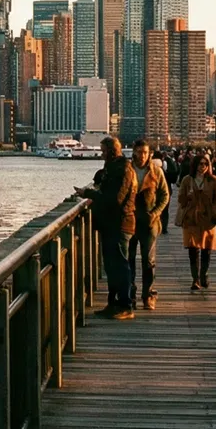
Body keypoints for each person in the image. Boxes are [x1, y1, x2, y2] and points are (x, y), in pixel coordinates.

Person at [80, 137, 140, 320]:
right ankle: (113, 303)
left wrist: (88, 193)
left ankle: (125, 305)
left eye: (104, 151)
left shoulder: (122, 170)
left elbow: (115, 199)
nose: (101, 154)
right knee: (112, 266)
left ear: (112, 151)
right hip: (111, 224)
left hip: (120, 224)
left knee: (121, 266)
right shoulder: (114, 168)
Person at [126, 140, 170, 309]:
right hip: (130, 220)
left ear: (149, 153)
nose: (142, 155)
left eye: (145, 152)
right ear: (134, 152)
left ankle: (148, 295)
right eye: (139, 152)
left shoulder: (156, 172)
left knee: (148, 261)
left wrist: (156, 213)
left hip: (150, 221)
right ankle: (131, 294)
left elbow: (165, 195)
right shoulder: (127, 170)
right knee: (129, 259)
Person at [176, 153, 216, 292]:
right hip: (191, 219)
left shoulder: (213, 180)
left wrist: (214, 210)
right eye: (200, 164)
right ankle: (195, 278)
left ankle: (204, 274)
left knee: (206, 249)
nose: (203, 167)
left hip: (207, 218)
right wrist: (188, 197)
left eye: (206, 164)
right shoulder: (187, 180)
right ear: (195, 165)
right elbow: (180, 198)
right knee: (193, 249)